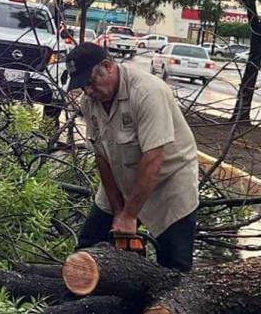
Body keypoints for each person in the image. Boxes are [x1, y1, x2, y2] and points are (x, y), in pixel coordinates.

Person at [67, 42, 200, 271]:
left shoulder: (148, 92)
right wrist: (118, 210)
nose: (87, 91)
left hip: (169, 183)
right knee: (88, 248)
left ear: (108, 66)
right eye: (82, 86)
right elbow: (102, 157)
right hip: (123, 176)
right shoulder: (90, 102)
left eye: (90, 83)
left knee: (173, 266)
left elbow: (153, 159)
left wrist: (130, 215)